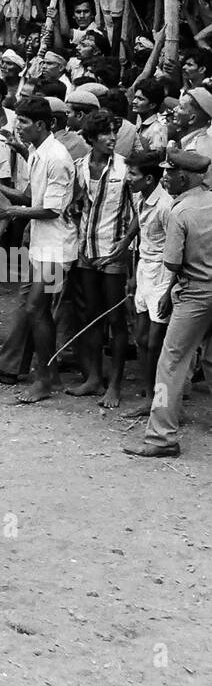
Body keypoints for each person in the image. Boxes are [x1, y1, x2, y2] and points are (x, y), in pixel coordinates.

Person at [0, 97, 77, 405]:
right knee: (38, 310)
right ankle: (48, 374)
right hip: (41, 245)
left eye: (23, 122)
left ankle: (44, 379)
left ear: (41, 124)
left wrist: (9, 211)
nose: (18, 127)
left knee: (36, 308)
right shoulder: (39, 152)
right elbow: (32, 195)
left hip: (55, 247)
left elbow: (51, 209)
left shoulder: (57, 157)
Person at [123, 151, 212, 458]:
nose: (165, 178)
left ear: (183, 177)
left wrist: (168, 293)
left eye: (169, 174)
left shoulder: (180, 211)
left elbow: (172, 263)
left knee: (170, 364)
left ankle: (162, 436)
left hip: (194, 294)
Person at [67, 109, 132, 408]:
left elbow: (139, 213)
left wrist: (125, 243)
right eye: (104, 133)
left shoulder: (125, 169)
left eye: (113, 131)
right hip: (86, 250)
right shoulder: (80, 166)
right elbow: (75, 206)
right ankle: (94, 377)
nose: (112, 137)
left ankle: (115, 385)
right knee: (90, 316)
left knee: (117, 320)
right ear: (91, 138)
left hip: (113, 252)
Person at [112, 151, 172, 419]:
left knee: (157, 343)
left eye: (133, 174)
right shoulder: (141, 197)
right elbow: (139, 221)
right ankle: (150, 397)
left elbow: (176, 250)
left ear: (149, 178)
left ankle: (163, 402)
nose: (128, 179)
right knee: (143, 339)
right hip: (144, 269)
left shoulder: (167, 206)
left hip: (164, 274)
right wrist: (125, 244)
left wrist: (170, 291)